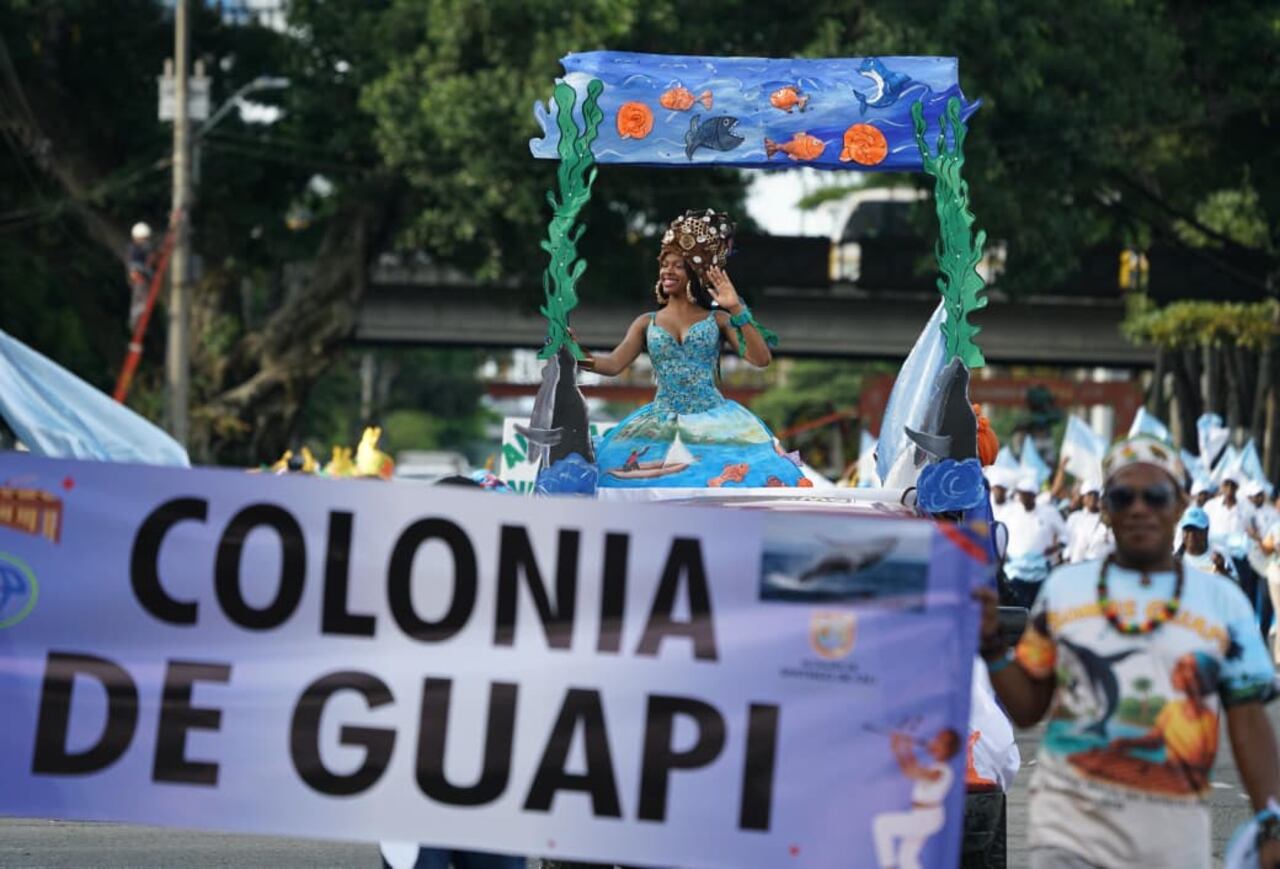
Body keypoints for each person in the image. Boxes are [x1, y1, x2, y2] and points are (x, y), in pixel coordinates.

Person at [974, 436, 1280, 868]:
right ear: (1106, 510)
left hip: (1174, 834)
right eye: (1122, 496)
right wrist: (990, 646)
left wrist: (1271, 820)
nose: (1139, 508)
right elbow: (1027, 708)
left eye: (1155, 496)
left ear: (1178, 506)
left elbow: (1249, 721)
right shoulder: (1063, 591)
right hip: (1069, 829)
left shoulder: (1224, 602)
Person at [582, 210, 805, 488]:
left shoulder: (719, 319)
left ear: (694, 273)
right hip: (659, 425)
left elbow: (760, 359)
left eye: (677, 265)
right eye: (664, 264)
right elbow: (612, 365)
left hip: (715, 424)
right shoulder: (645, 323)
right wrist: (574, 354)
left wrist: (735, 307)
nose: (667, 271)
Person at [872, 728, 961, 869]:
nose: (934, 743)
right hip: (921, 816)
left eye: (940, 742)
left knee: (881, 824)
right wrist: (903, 748)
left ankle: (888, 866)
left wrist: (901, 748)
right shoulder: (934, 768)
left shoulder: (942, 771)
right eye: (936, 739)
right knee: (906, 859)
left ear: (948, 750)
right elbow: (914, 768)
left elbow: (910, 771)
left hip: (927, 818)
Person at [1002, 475, 1062, 607]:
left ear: (1034, 495)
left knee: (1038, 610)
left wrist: (1056, 547)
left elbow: (1066, 536)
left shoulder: (1049, 512)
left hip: (1041, 573)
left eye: (1027, 494)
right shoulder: (1010, 511)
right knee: (1017, 611)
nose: (1023, 497)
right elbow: (999, 534)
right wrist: (1002, 552)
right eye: (1021, 494)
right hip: (1015, 572)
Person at [1177, 506, 1237, 580]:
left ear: (1206, 531)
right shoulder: (1175, 560)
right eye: (1187, 530)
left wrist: (1223, 572)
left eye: (1196, 530)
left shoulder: (1221, 555)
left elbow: (1236, 587)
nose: (1191, 535)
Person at [1064, 484, 1112, 563]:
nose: (1093, 498)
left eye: (1096, 495)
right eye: (1089, 494)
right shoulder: (1078, 519)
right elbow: (1077, 551)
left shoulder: (1118, 523)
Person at [126, 221, 154, 331]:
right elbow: (134, 265)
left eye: (146, 239)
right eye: (143, 239)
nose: (145, 242)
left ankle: (138, 321)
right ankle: (134, 322)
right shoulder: (134, 249)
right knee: (139, 299)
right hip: (138, 276)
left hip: (141, 277)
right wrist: (146, 272)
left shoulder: (142, 248)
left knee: (143, 299)